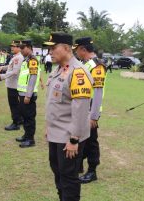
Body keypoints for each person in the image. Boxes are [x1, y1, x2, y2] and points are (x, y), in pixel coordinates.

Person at [44, 32, 93, 201]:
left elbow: (80, 109)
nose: (50, 52)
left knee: (68, 177)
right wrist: (48, 127)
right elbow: (55, 103)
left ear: (66, 48)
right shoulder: (58, 70)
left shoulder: (78, 72)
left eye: (53, 48)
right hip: (55, 133)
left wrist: (74, 139)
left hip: (69, 136)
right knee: (58, 172)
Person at [73, 37, 107, 183]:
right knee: (82, 139)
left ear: (83, 49)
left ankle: (92, 171)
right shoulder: (86, 64)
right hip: (82, 107)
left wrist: (94, 116)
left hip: (90, 108)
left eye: (77, 49)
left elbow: (98, 92)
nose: (76, 53)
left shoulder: (97, 66)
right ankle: (78, 165)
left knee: (91, 141)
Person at [0, 40, 24, 131]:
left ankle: (15, 123)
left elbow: (15, 71)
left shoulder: (19, 58)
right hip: (12, 83)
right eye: (12, 46)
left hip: (13, 84)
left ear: (19, 48)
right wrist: (3, 67)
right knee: (16, 104)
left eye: (14, 46)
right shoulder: (16, 57)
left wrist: (2, 76)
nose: (12, 48)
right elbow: (11, 67)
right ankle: (20, 119)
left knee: (13, 104)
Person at [15, 40, 40, 148]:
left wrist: (28, 95)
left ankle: (30, 139)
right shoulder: (26, 60)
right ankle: (26, 135)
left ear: (29, 47)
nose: (21, 50)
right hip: (22, 93)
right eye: (20, 48)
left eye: (23, 48)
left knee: (29, 117)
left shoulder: (33, 60)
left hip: (28, 95)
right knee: (24, 116)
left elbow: (33, 78)